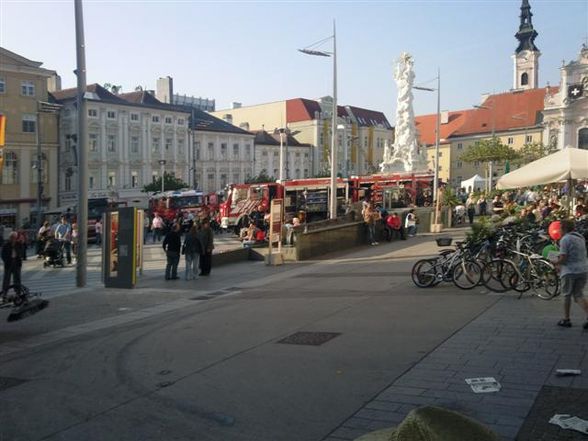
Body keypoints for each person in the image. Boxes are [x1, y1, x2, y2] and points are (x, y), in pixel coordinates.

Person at [554, 220, 588, 329]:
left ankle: (566, 319)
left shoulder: (565, 240)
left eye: (559, 228)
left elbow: (563, 258)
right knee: (578, 295)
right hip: (583, 269)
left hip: (569, 271)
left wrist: (555, 262)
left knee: (566, 295)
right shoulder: (580, 237)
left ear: (563, 229)